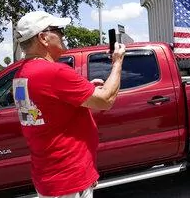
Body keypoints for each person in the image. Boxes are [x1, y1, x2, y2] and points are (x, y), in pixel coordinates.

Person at [12, 11, 126, 198]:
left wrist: (86, 89)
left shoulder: (22, 74)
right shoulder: (54, 72)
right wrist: (118, 62)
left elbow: (45, 108)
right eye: (58, 30)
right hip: (68, 178)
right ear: (43, 37)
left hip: (49, 175)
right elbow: (106, 100)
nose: (63, 34)